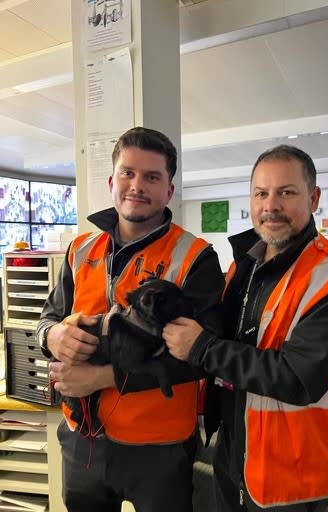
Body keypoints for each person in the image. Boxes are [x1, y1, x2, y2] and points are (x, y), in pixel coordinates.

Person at [163, 145, 328, 512]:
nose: (271, 206)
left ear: (313, 198)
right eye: (261, 193)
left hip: (294, 477)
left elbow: (297, 378)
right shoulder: (245, 267)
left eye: (286, 192)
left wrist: (202, 347)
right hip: (235, 457)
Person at [36, 126, 224, 512]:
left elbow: (204, 356)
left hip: (159, 447)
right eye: (128, 173)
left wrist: (106, 378)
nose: (137, 186)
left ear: (169, 191)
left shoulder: (195, 257)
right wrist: (52, 336)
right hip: (83, 439)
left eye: (152, 177)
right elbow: (48, 317)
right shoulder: (80, 248)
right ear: (112, 181)